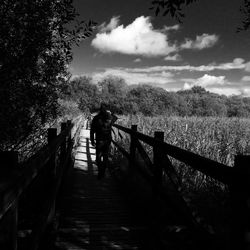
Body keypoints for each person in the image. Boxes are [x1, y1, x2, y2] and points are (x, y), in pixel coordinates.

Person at [90, 104, 117, 179]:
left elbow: (92, 131)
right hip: (107, 140)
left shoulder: (96, 118)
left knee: (98, 156)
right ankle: (103, 172)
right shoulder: (109, 117)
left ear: (100, 110)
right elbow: (115, 117)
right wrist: (110, 112)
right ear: (105, 110)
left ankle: (100, 172)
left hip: (99, 140)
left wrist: (92, 140)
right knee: (105, 156)